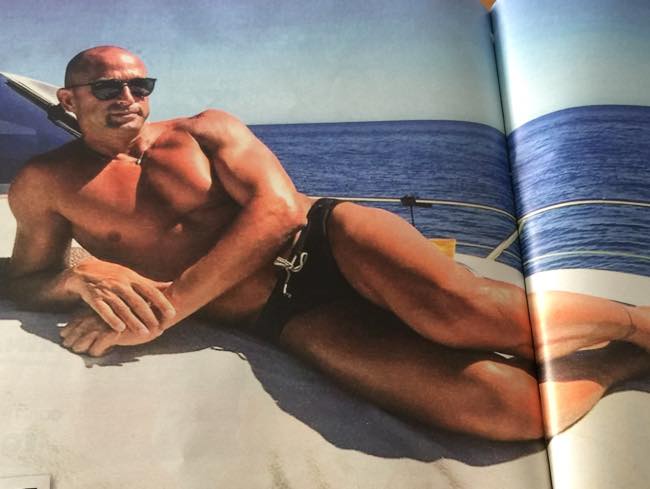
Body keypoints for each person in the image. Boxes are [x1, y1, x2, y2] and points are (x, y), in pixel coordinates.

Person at [6, 46, 649, 441]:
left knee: (469, 313)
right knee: (508, 411)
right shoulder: (46, 183)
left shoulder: (205, 129)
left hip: (328, 240)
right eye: (107, 88)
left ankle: (639, 322)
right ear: (68, 99)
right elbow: (25, 278)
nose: (127, 98)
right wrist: (79, 275)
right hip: (280, 313)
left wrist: (170, 306)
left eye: (139, 86)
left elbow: (278, 211)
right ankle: (620, 361)